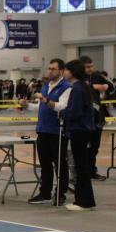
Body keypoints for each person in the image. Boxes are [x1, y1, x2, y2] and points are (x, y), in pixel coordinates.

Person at [27, 59, 70, 206]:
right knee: (45, 165)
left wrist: (45, 100)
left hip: (57, 131)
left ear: (61, 71)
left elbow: (61, 107)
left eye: (53, 69)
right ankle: (45, 193)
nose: (50, 71)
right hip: (43, 130)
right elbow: (40, 106)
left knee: (60, 165)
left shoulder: (66, 87)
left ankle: (60, 194)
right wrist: (27, 105)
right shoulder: (45, 85)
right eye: (49, 68)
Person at [59, 59, 96, 211]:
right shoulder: (81, 87)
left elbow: (75, 112)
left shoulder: (78, 89)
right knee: (81, 167)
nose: (64, 72)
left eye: (66, 70)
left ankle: (84, 202)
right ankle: (82, 200)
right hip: (81, 130)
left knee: (81, 167)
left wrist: (62, 113)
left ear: (73, 72)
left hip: (79, 131)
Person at [80, 55, 111, 181]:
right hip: (83, 120)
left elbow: (110, 86)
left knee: (94, 147)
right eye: (87, 67)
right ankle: (82, 172)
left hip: (97, 119)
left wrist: (105, 87)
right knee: (83, 148)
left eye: (92, 66)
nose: (90, 69)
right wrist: (93, 87)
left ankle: (92, 171)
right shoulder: (77, 78)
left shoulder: (97, 75)